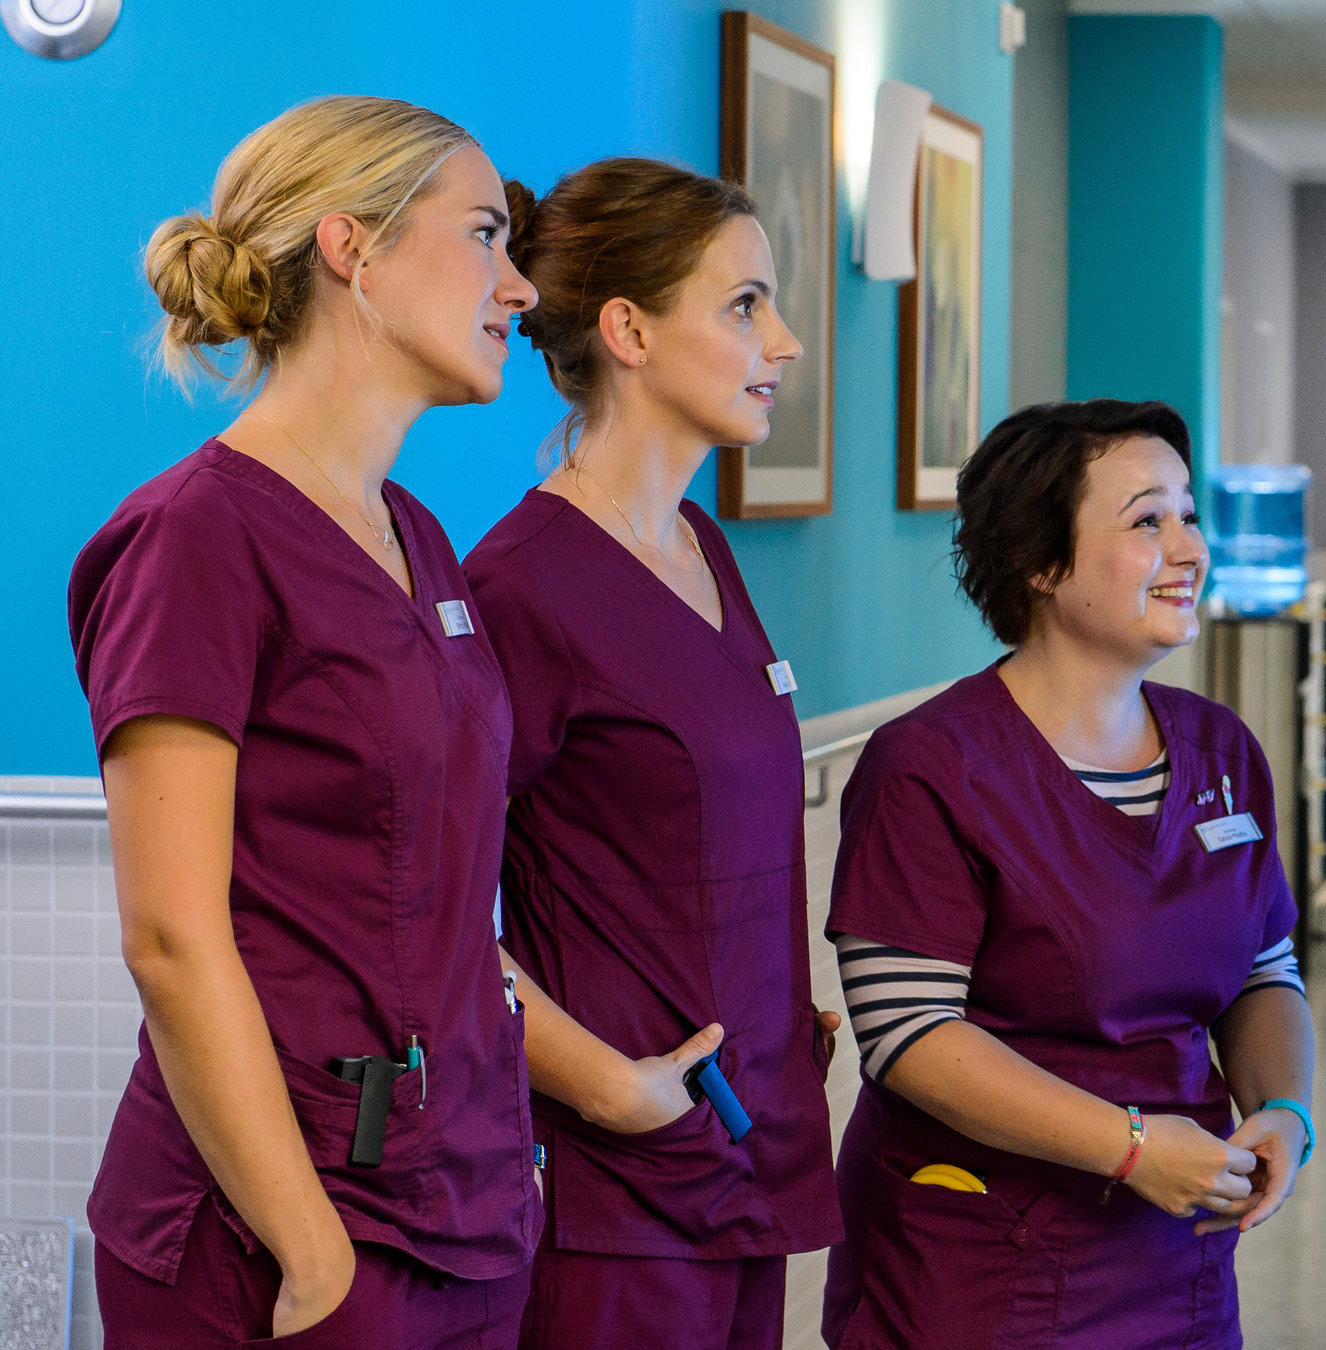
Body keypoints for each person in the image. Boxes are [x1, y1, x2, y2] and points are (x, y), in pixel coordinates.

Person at [67, 97, 541, 1346]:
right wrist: (311, 1249)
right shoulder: (196, 538)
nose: (521, 286)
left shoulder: (417, 538)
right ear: (353, 248)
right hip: (286, 1236)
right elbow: (170, 937)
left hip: (462, 1206)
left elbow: (433, 885)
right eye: (487, 234)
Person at [819, 400, 1317, 1350]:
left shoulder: (1220, 750)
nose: (1189, 547)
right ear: (1041, 566)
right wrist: (1129, 1148)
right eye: (1145, 521)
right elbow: (910, 1035)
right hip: (980, 1257)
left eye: (1187, 513)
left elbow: (1263, 971)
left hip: (1176, 1255)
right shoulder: (932, 767)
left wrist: (1285, 1113)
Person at [462, 158, 844, 1350]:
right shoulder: (523, 587)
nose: (782, 343)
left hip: (744, 1143)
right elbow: (432, 906)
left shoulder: (700, 549)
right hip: (618, 1184)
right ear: (627, 329)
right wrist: (603, 1083)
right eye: (744, 306)